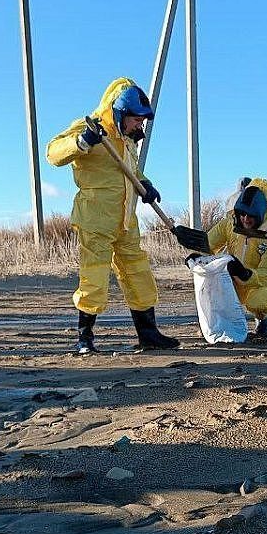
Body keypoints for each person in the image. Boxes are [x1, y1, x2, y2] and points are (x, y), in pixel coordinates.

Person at [46, 79, 179, 354]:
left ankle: (148, 334)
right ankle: (85, 339)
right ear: (120, 112)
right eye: (136, 120)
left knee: (138, 272)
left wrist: (145, 184)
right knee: (94, 277)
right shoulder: (91, 129)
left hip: (126, 220)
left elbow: (127, 171)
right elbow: (53, 154)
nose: (139, 127)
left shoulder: (126, 140)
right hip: (95, 219)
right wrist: (81, 142)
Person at [203, 178, 267, 338]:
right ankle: (222, 323)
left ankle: (262, 320)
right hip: (230, 281)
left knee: (260, 301)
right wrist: (197, 255)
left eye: (251, 215)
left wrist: (246, 274)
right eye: (243, 214)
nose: (246, 219)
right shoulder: (229, 224)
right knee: (209, 285)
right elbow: (207, 244)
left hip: (257, 284)